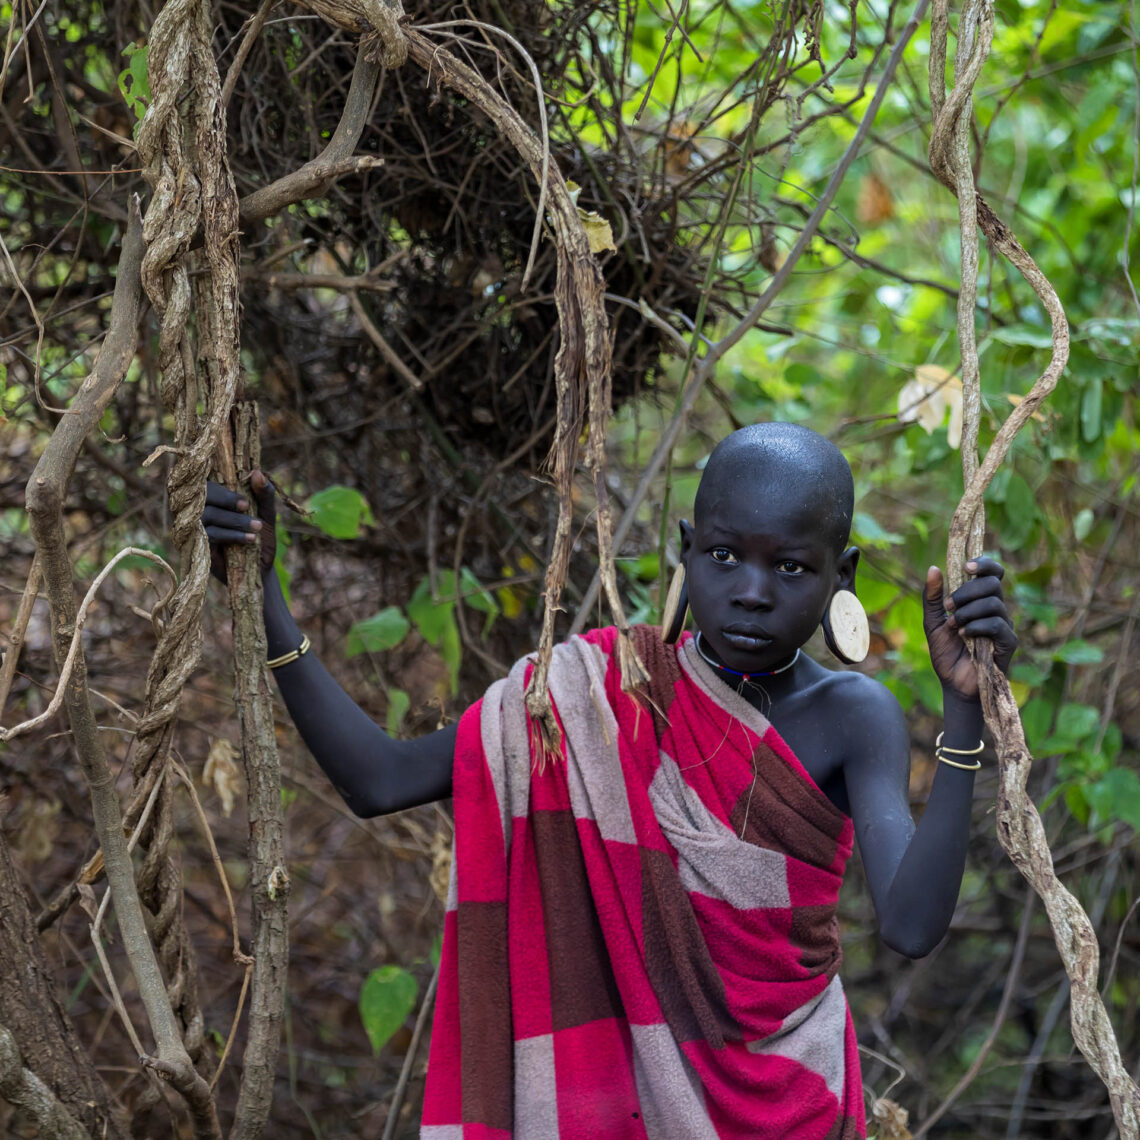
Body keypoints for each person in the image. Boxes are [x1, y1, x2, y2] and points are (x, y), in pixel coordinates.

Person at [204, 422, 1016, 1139]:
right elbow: (378, 780)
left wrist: (964, 708)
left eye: (792, 568)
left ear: (843, 574)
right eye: (726, 556)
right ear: (687, 546)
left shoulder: (854, 714)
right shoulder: (594, 694)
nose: (752, 592)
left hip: (790, 1103)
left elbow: (910, 927)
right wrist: (265, 593)